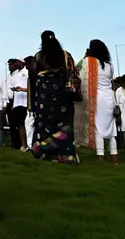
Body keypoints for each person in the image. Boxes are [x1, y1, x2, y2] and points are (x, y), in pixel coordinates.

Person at [32, 31, 80, 164]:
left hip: (44, 97)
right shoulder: (66, 55)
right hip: (63, 95)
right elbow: (73, 72)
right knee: (65, 125)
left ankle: (46, 152)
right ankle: (67, 155)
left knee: (45, 125)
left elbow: (35, 74)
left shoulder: (39, 56)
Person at [75, 39, 118, 164]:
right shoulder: (110, 64)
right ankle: (114, 158)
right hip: (109, 97)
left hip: (97, 97)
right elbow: (111, 81)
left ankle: (101, 157)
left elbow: (77, 68)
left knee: (98, 128)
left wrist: (85, 55)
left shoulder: (88, 61)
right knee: (111, 129)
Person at [7, 57, 29, 151]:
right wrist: (13, 104)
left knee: (28, 124)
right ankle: (23, 145)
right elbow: (15, 90)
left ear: (21, 62)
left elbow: (31, 88)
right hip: (17, 103)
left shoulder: (27, 72)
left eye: (16, 62)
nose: (15, 63)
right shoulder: (16, 75)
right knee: (20, 124)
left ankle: (29, 144)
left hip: (26, 103)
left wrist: (22, 89)